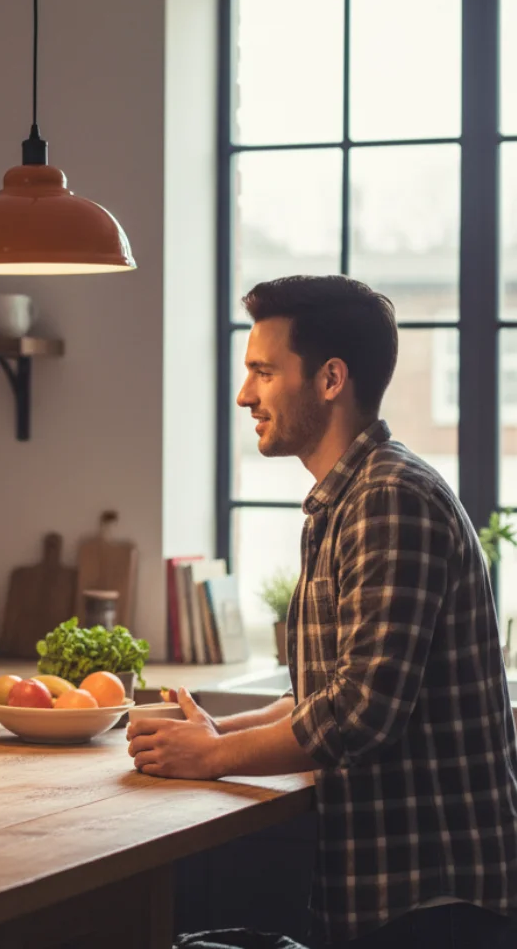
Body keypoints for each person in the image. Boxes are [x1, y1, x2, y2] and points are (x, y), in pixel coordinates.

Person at [128, 276, 517, 948]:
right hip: (396, 896)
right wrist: (215, 733)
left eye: (264, 372)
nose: (246, 394)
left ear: (330, 379)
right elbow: (325, 694)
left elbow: (359, 713)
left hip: (432, 904)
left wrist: (211, 758)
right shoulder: (348, 499)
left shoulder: (388, 499)